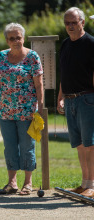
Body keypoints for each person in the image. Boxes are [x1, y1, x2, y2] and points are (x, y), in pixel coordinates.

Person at [0, 23, 44, 195]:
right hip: (5, 109)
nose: (16, 41)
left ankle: (28, 183)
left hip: (27, 111)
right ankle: (12, 183)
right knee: (10, 146)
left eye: (18, 37)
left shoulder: (32, 57)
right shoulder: (1, 56)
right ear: (7, 40)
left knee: (27, 146)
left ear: (23, 38)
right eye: (12, 38)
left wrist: (40, 108)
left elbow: (39, 84)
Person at [57, 7, 94, 197]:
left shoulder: (90, 43)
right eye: (67, 23)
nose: (70, 26)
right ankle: (85, 183)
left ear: (82, 23)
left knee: (90, 144)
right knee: (79, 144)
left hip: (88, 99)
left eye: (74, 22)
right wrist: (60, 97)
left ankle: (93, 186)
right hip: (70, 100)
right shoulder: (65, 44)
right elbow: (64, 73)